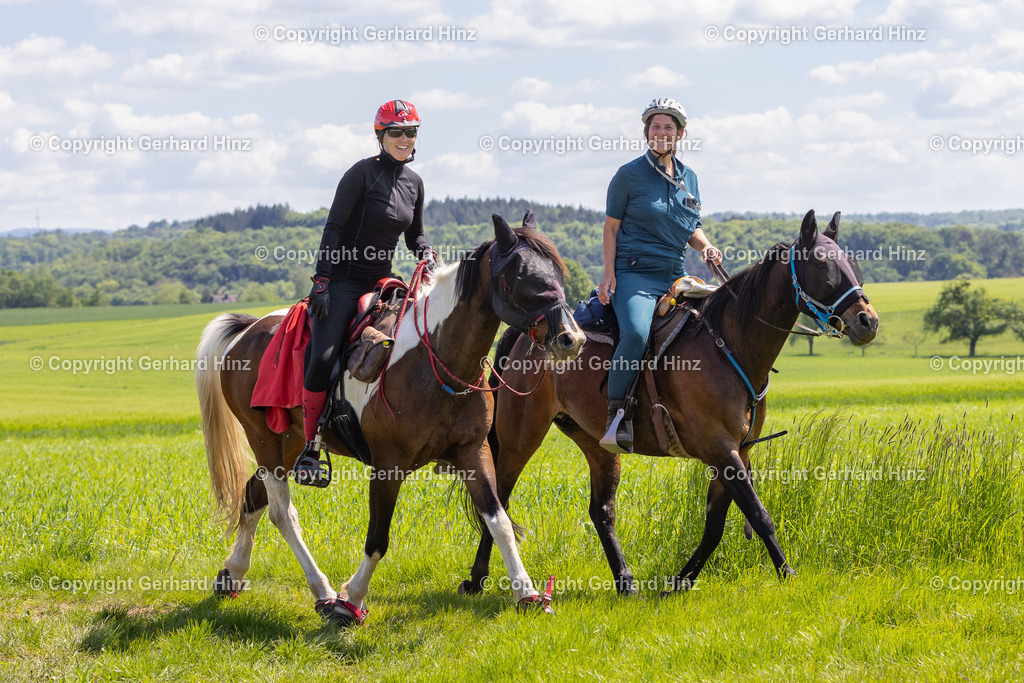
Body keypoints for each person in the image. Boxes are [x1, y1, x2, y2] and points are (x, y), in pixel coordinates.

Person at [294, 99, 436, 486]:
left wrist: (424, 250)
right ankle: (310, 445)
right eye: (397, 132)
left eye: (411, 132)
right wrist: (322, 281)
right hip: (342, 282)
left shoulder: (415, 183)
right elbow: (334, 228)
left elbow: (414, 234)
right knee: (322, 358)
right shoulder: (359, 175)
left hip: (382, 281)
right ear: (381, 135)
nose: (405, 139)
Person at [597, 97, 722, 453]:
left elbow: (691, 227)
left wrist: (707, 246)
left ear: (680, 133)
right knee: (636, 333)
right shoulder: (628, 175)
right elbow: (611, 228)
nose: (661, 132)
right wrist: (609, 276)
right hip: (635, 275)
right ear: (646, 132)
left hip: (675, 274)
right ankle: (616, 416)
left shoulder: (690, 178)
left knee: (717, 319)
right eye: (655, 126)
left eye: (668, 127)